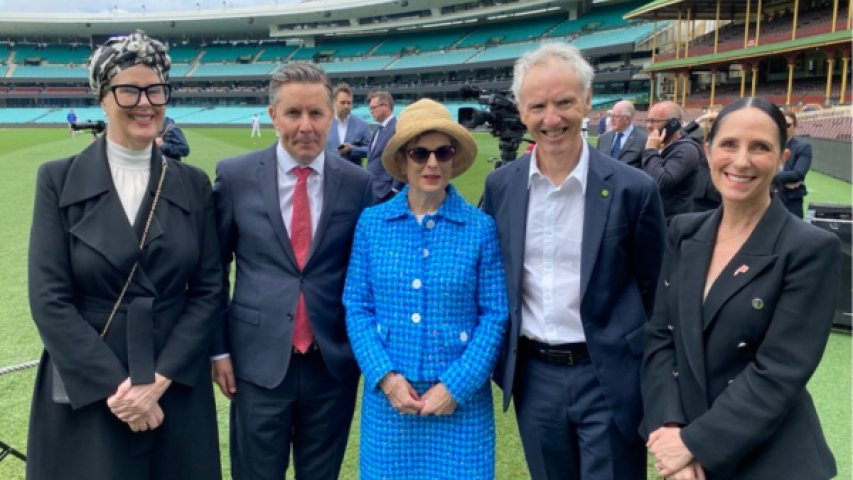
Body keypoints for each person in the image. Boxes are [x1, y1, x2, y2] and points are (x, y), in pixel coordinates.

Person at [26, 30, 223, 480]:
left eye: (155, 89)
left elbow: (209, 291)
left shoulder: (193, 183)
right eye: (128, 89)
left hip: (173, 385)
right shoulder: (56, 180)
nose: (145, 102)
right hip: (91, 388)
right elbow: (48, 298)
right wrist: (120, 391)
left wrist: (157, 382)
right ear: (103, 96)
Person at [481, 42, 666, 480]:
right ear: (522, 112)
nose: (552, 118)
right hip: (534, 377)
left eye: (564, 102)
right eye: (538, 106)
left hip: (609, 377)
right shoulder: (501, 187)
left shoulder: (633, 188)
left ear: (586, 102)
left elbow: (653, 290)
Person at [641, 97, 841, 480]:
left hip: (770, 460)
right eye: (729, 144)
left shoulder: (810, 248)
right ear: (708, 150)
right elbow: (660, 337)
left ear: (782, 158)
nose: (742, 160)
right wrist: (668, 426)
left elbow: (780, 370)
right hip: (685, 452)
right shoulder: (684, 231)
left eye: (760, 147)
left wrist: (695, 445)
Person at [211, 63, 374, 480]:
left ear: (330, 116)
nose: (305, 126)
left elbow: (367, 273)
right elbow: (212, 269)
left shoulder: (357, 184)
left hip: (331, 365)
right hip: (256, 363)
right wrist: (219, 349)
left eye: (316, 114)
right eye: (293, 114)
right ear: (273, 116)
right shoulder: (235, 176)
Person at [344, 99, 509, 479]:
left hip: (461, 407)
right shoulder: (372, 223)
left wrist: (457, 385)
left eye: (442, 152)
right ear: (402, 161)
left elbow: (495, 313)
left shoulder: (480, 228)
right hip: (390, 405)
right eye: (420, 153)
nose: (431, 163)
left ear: (453, 158)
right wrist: (385, 377)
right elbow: (357, 306)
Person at [642, 101, 702, 224]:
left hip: (671, 224)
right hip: (651, 218)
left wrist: (651, 151)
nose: (649, 126)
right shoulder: (657, 144)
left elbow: (661, 181)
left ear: (673, 124)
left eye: (655, 121)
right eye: (648, 121)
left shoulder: (687, 149)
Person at [366, 90, 405, 202]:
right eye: (370, 108)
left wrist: (395, 188)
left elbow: (401, 159)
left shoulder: (397, 128)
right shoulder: (377, 129)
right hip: (373, 189)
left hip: (387, 192)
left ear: (385, 106)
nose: (371, 111)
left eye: (374, 108)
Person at [774, 110, 812, 218]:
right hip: (767, 198)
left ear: (795, 126)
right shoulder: (766, 145)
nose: (783, 128)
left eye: (787, 125)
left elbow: (798, 174)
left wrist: (770, 178)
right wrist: (783, 180)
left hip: (791, 200)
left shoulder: (803, 147)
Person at [326, 82, 372, 167]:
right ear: (334, 102)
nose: (346, 106)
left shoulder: (362, 125)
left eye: (349, 103)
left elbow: (370, 150)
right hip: (330, 174)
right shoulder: (324, 124)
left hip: (352, 175)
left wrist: (352, 149)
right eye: (343, 103)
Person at [596, 100, 648, 168]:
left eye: (616, 116)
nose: (612, 119)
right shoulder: (603, 139)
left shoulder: (643, 140)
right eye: (611, 116)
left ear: (627, 119)